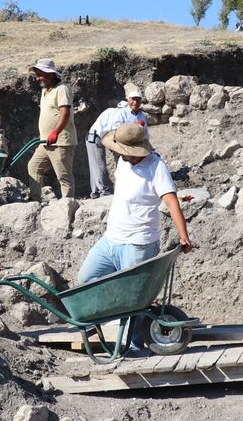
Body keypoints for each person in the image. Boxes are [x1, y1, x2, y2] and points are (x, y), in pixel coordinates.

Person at [76, 122, 193, 351]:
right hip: (111, 240)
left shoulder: (156, 168)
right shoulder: (122, 162)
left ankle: (134, 346)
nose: (118, 153)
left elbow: (171, 202)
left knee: (133, 301)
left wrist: (184, 236)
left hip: (138, 244)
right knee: (85, 279)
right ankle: (100, 320)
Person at [26, 58, 77, 200]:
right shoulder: (45, 90)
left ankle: (68, 204)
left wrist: (55, 132)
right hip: (45, 142)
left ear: (50, 74)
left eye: (40, 74)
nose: (37, 78)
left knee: (64, 175)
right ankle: (35, 199)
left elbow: (65, 113)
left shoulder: (62, 89)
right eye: (36, 75)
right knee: (34, 167)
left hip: (61, 141)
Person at [86, 85, 150, 198]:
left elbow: (144, 134)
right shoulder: (118, 113)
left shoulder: (141, 116)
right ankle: (103, 192)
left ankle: (96, 192)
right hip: (96, 136)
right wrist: (116, 148)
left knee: (114, 163)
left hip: (111, 137)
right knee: (98, 164)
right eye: (132, 99)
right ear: (128, 101)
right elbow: (115, 131)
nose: (135, 102)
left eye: (138, 100)